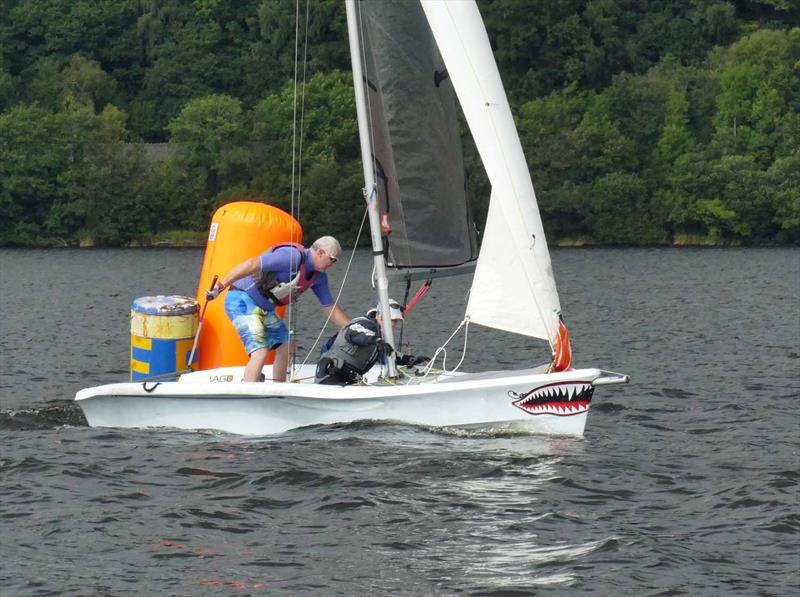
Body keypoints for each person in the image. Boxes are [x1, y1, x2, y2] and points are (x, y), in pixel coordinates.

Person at [205, 236, 350, 382]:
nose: (333, 265)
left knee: (288, 346)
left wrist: (352, 327)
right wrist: (220, 287)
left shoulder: (318, 278)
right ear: (320, 252)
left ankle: (279, 388)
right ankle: (248, 394)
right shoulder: (291, 257)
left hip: (264, 309)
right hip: (242, 300)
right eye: (333, 259)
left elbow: (330, 307)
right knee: (260, 353)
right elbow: (252, 263)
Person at [315, 299, 429, 385]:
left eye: (396, 321)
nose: (393, 324)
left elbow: (387, 354)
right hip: (330, 377)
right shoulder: (363, 324)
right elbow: (354, 334)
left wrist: (410, 359)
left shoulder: (378, 338)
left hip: (347, 380)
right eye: (391, 320)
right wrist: (376, 340)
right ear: (379, 316)